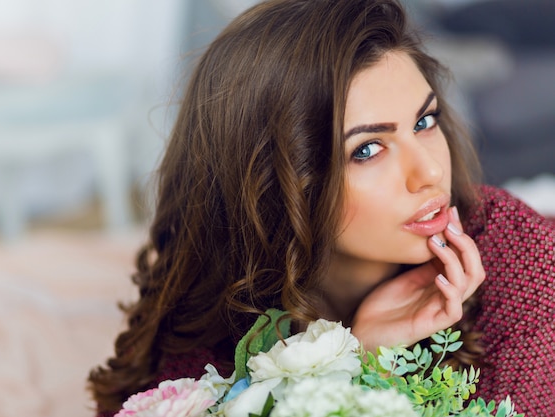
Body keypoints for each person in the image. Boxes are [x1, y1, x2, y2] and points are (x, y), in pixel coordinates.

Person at [88, 0, 555, 415]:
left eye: (425, 121)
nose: (430, 173)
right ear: (270, 182)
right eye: (368, 149)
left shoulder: (522, 257)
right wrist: (359, 353)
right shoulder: (215, 304)